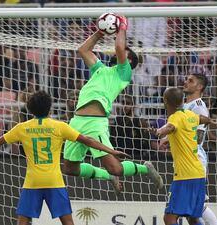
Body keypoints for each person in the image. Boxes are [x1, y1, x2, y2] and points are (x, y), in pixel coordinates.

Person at [0, 91, 130, 225]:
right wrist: (111, 151)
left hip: (32, 183)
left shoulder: (22, 128)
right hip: (54, 182)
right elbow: (89, 140)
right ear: (49, 108)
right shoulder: (59, 126)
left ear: (30, 109)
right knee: (68, 223)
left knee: (23, 222)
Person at [63, 14, 163, 191]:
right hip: (76, 120)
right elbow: (83, 50)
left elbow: (118, 46)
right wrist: (100, 32)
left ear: (129, 60)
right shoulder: (100, 69)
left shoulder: (123, 73)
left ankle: (144, 168)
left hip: (95, 123)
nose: (121, 50)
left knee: (116, 168)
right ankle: (106, 176)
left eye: (125, 50)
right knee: (70, 169)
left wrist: (122, 26)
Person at [149, 87, 217, 225]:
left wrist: (158, 131)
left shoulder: (175, 117)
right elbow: (201, 118)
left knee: (169, 218)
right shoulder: (189, 114)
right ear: (182, 101)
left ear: (165, 101)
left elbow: (169, 127)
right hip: (198, 173)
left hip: (184, 175)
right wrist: (210, 121)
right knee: (192, 218)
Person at [182, 73, 217, 225]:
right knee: (188, 211)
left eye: (190, 81)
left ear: (199, 87)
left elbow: (199, 137)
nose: (185, 82)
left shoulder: (198, 107)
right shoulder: (185, 106)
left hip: (194, 158)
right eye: (186, 79)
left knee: (196, 205)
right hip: (185, 159)